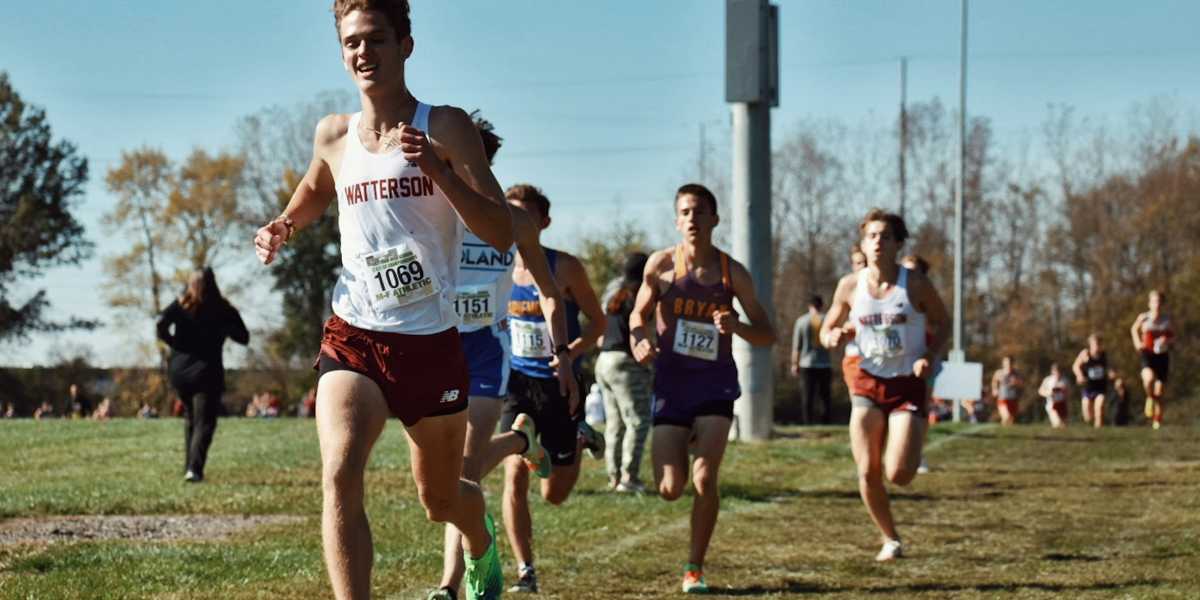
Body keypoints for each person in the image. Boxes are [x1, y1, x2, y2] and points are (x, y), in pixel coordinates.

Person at [252, 2, 512, 597]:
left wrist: (441, 173)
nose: (363, 53)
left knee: (440, 499)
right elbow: (318, 187)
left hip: (430, 341)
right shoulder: (333, 134)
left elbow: (500, 230)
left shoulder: (444, 126)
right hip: (355, 333)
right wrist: (285, 226)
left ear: (406, 46)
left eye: (375, 40)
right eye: (351, 44)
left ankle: (478, 541)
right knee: (340, 475)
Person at [430, 114, 578, 600]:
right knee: (440, 484)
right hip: (435, 346)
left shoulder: (512, 221)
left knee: (463, 474)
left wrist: (564, 355)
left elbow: (551, 293)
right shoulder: (432, 211)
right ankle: (520, 442)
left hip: (487, 354)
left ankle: (450, 585)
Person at [629, 183, 776, 593]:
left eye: (700, 211)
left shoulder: (733, 273)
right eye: (685, 212)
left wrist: (738, 326)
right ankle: (685, 441)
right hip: (672, 386)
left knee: (705, 478)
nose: (692, 218)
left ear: (714, 219)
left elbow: (767, 333)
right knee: (670, 489)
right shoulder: (660, 266)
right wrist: (639, 340)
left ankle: (694, 566)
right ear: (677, 220)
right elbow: (637, 317)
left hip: (715, 386)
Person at [821, 208, 949, 562]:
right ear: (863, 243)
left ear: (897, 244)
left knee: (900, 474)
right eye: (872, 236)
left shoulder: (916, 284)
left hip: (907, 381)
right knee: (866, 469)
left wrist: (931, 355)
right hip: (866, 380)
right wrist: (832, 334)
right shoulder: (850, 285)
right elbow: (827, 328)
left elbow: (943, 323)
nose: (878, 242)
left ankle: (910, 438)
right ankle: (890, 538)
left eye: (885, 236)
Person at [498, 183, 606, 594]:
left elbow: (597, 323)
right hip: (515, 381)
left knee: (554, 494)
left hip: (559, 382)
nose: (515, 222)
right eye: (509, 213)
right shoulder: (498, 266)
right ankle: (526, 569)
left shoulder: (566, 268)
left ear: (542, 222)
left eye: (524, 215)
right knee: (513, 473)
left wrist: (569, 354)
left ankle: (577, 439)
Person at [156, 267, 249, 483]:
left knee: (191, 418)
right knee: (204, 422)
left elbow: (160, 324)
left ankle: (189, 467)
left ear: (191, 284)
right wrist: (225, 329)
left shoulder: (180, 304)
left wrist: (175, 345)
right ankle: (194, 470)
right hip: (207, 372)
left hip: (179, 371)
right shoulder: (223, 309)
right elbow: (243, 337)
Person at [596, 251, 653, 493]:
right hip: (625, 363)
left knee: (615, 423)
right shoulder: (640, 294)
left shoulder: (612, 290)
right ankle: (629, 478)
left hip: (604, 360)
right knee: (638, 421)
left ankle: (614, 477)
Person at [1130, 290, 1173, 430]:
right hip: (1147, 354)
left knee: (1160, 391)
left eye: (1159, 301)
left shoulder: (1167, 320)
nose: (1157, 304)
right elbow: (1134, 329)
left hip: (1162, 356)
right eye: (1154, 301)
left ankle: (1157, 421)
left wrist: (1165, 340)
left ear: (1163, 303)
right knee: (1148, 380)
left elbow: (1173, 336)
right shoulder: (1144, 318)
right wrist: (1137, 343)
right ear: (1150, 303)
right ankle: (1149, 398)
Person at [791, 295, 832, 425]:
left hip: (806, 363)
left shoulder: (801, 321)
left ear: (810, 306)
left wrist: (794, 363)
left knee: (807, 395)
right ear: (822, 305)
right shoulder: (828, 320)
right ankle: (826, 421)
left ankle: (807, 422)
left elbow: (797, 346)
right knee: (825, 396)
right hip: (825, 363)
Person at [1072, 334, 1112, 429]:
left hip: (1101, 387)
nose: (1097, 346)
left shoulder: (1104, 355)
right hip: (1088, 387)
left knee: (1099, 406)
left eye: (1099, 344)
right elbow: (1075, 366)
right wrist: (1079, 375)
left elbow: (1110, 367)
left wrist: (1112, 373)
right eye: (1094, 344)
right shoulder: (1085, 354)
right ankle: (1091, 426)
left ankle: (1099, 429)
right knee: (1088, 415)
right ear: (1090, 344)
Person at [989, 357, 1024, 426]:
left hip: (1013, 398)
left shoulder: (1016, 373)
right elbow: (994, 381)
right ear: (1003, 363)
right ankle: (1002, 431)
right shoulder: (999, 372)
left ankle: (1004, 432)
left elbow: (1021, 384)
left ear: (1012, 363)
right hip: (1002, 398)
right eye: (1006, 362)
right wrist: (994, 389)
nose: (1008, 364)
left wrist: (1016, 383)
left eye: (1010, 362)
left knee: (1011, 419)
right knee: (1006, 416)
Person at [1038, 363, 1071, 429]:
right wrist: (1048, 393)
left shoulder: (1065, 380)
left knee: (1064, 426)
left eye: (1059, 370)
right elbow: (1040, 391)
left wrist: (1065, 391)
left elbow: (1069, 393)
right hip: (1052, 404)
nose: (1057, 372)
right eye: (1055, 370)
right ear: (1052, 371)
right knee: (1057, 423)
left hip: (1062, 404)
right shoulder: (1048, 380)